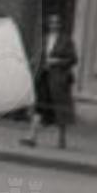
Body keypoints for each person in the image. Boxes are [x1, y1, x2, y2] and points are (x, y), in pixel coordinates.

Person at [24, 13, 78, 149]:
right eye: (51, 23)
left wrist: (57, 61)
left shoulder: (66, 41)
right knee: (39, 106)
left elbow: (73, 59)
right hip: (44, 77)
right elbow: (40, 56)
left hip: (59, 79)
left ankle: (61, 138)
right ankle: (32, 136)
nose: (53, 25)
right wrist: (35, 62)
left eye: (56, 23)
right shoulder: (45, 39)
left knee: (60, 108)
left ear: (60, 25)